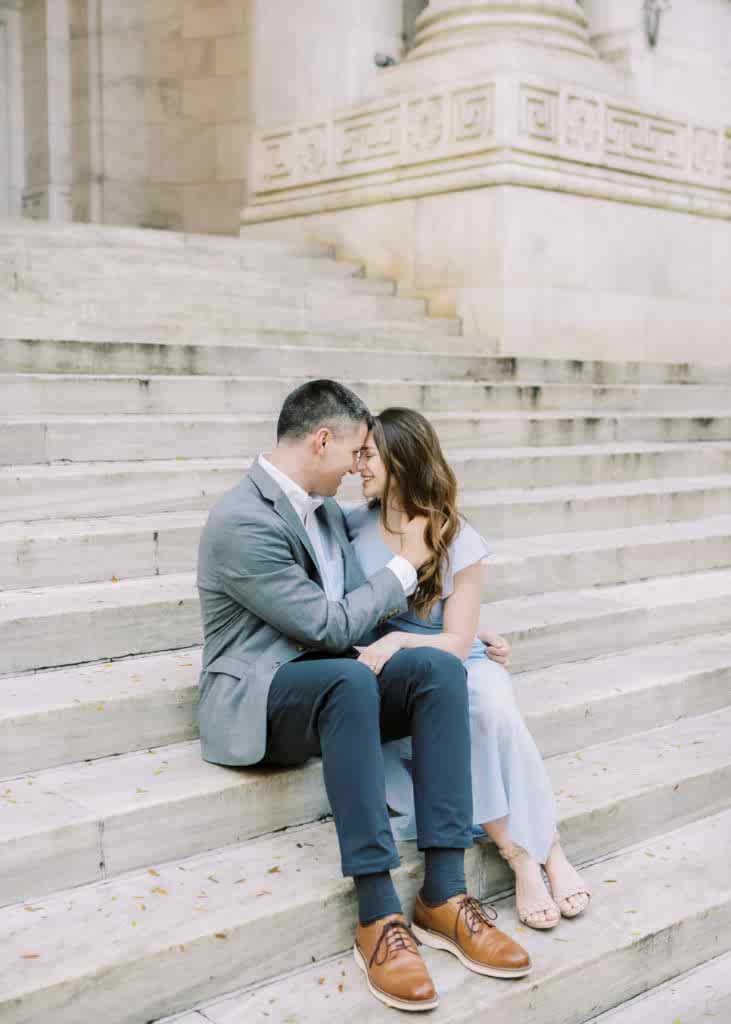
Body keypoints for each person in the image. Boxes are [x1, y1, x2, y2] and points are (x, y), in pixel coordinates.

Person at [196, 380, 530, 1014]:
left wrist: (458, 630)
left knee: (436, 669)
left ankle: (444, 894)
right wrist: (406, 564)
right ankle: (378, 913)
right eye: (354, 451)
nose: (358, 466)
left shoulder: (323, 510)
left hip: (332, 679)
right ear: (322, 440)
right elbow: (326, 626)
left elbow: (372, 595)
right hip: (261, 694)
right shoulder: (242, 518)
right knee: (349, 676)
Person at [347, 407, 591, 931]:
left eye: (368, 455)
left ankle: (549, 852)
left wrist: (403, 638)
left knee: (494, 712)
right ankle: (525, 857)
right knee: (462, 720)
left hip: (457, 656)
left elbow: (456, 643)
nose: (357, 466)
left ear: (399, 458)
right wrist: (398, 643)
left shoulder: (456, 535)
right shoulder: (352, 530)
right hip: (401, 677)